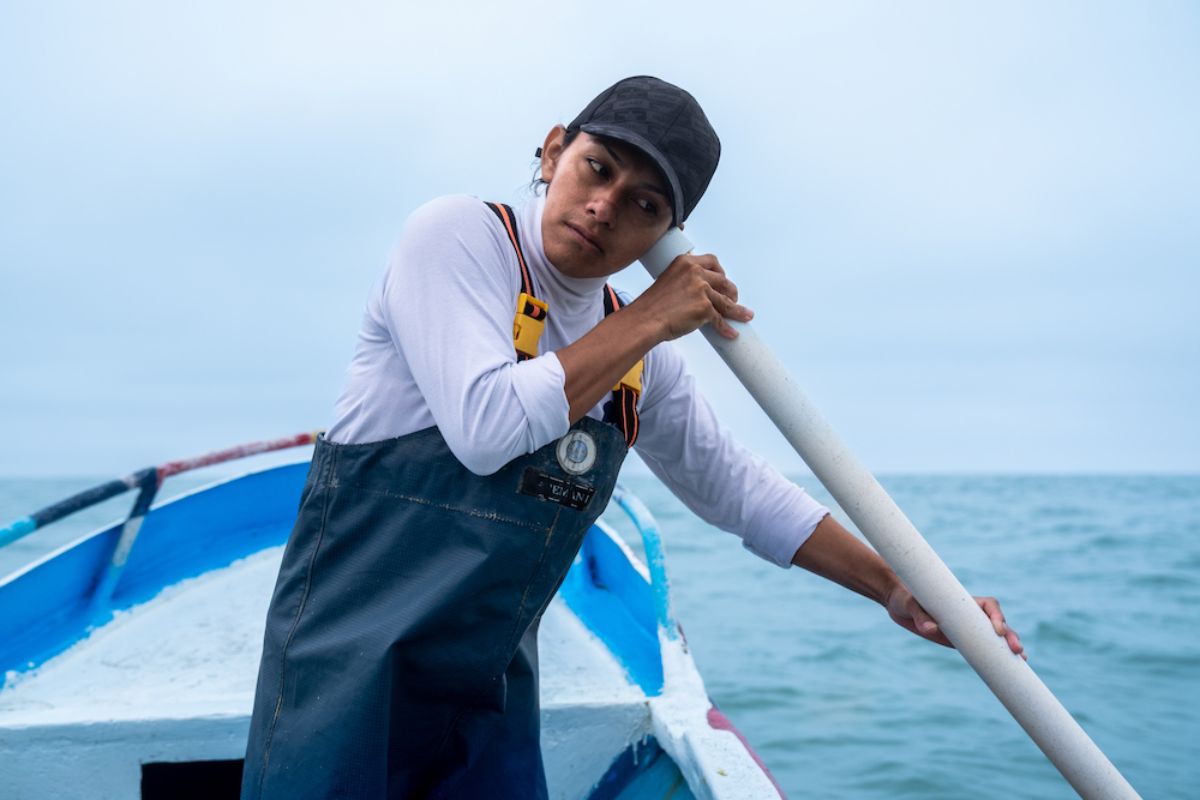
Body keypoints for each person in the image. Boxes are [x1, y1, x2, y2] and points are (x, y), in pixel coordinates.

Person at [241, 75, 1024, 799]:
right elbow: (486, 427)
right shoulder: (459, 239)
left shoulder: (642, 365)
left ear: (668, 233)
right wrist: (652, 315)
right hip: (343, 671)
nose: (606, 206)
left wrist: (892, 584)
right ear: (553, 151)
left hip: (487, 684)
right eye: (598, 167)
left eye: (647, 204)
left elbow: (739, 491)